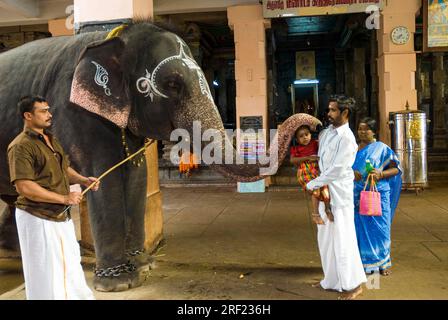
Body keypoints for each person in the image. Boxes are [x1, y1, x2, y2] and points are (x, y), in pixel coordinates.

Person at [7, 95, 100, 300]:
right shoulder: (20, 146)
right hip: (37, 216)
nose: (49, 115)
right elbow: (24, 187)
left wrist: (83, 180)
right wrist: (65, 199)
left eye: (49, 110)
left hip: (59, 215)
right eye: (43, 111)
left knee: (69, 264)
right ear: (28, 116)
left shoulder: (50, 139)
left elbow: (62, 168)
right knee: (46, 271)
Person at [306, 95, 367, 300]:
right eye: (329, 109)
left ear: (345, 113)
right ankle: (331, 280)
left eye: (333, 110)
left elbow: (339, 169)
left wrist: (313, 183)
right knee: (325, 239)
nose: (329, 113)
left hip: (339, 195)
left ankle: (353, 284)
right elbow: (323, 160)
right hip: (325, 193)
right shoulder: (327, 133)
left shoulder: (347, 138)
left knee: (343, 240)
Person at [353, 117, 402, 276]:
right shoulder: (352, 149)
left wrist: (381, 174)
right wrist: (351, 173)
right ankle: (365, 262)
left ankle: (383, 262)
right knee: (361, 229)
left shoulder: (382, 148)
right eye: (360, 128)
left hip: (379, 194)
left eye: (366, 129)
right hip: (358, 195)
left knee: (381, 228)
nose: (362, 132)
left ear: (374, 131)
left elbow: (396, 169)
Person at [290, 125, 334, 225]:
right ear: (297, 139)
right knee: (316, 189)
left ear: (311, 135)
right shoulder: (296, 148)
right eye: (301, 136)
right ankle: (315, 214)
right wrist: (308, 157)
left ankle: (328, 209)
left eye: (306, 134)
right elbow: (292, 160)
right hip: (304, 171)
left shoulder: (315, 144)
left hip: (317, 170)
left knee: (325, 188)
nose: (305, 137)